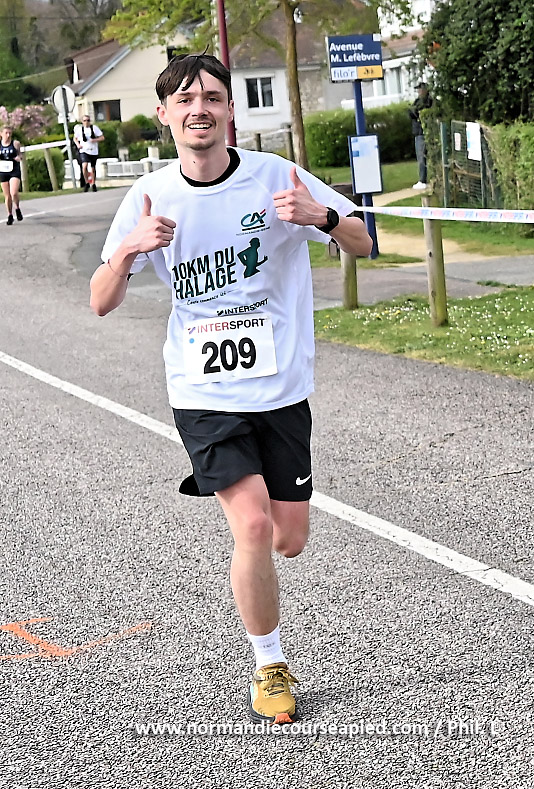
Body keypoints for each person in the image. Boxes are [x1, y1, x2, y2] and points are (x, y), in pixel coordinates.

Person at [90, 53, 372, 725]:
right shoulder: (150, 195)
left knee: (287, 538)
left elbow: (363, 243)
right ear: (164, 115)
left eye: (212, 98)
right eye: (186, 101)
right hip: (202, 391)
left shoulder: (277, 176)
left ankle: (260, 570)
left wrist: (320, 218)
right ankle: (269, 666)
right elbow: (100, 301)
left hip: (280, 388)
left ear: (229, 111)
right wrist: (129, 250)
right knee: (251, 524)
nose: (201, 110)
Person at [409, 82, 433, 190]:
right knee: (421, 157)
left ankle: (423, 180)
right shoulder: (417, 101)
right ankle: (423, 178)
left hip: (423, 132)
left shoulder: (429, 101)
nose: (419, 91)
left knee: (422, 156)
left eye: (420, 89)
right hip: (418, 132)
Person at [73, 114, 104, 192]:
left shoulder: (94, 128)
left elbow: (102, 137)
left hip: (93, 150)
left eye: (88, 120)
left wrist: (95, 140)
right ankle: (87, 182)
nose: (86, 122)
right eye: (84, 121)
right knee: (84, 166)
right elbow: (75, 138)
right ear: (82, 121)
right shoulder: (79, 129)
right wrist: (78, 145)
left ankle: (93, 183)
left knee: (93, 168)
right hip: (84, 150)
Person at [1, 126, 23, 225]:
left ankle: (17, 208)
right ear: (1, 134)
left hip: (14, 170)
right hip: (3, 171)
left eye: (10, 133)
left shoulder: (15, 143)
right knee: (7, 195)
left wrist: (19, 157)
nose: (8, 135)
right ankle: (10, 215)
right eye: (6, 133)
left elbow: (20, 155)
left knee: (13, 192)